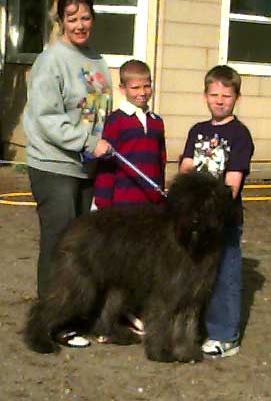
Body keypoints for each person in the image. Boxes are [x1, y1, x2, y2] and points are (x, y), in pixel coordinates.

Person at [23, 0, 112, 304]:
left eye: (85, 17)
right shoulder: (51, 60)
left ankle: (73, 310)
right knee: (59, 242)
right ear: (61, 21)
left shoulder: (96, 59)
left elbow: (100, 110)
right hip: (54, 166)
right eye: (72, 18)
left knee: (82, 245)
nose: (80, 24)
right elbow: (47, 117)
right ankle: (49, 316)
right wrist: (87, 141)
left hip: (88, 167)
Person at [179, 65, 254, 359]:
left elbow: (232, 183)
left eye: (227, 95)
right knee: (196, 275)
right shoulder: (197, 131)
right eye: (214, 94)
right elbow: (185, 167)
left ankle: (225, 335)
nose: (220, 100)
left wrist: (212, 210)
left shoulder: (239, 134)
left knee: (225, 276)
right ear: (205, 96)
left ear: (236, 97)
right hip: (193, 220)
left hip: (223, 221)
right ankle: (195, 327)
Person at [94, 59, 166, 208]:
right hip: (122, 204)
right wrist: (103, 201)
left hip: (151, 204)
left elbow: (161, 162)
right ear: (122, 89)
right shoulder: (116, 120)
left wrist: (160, 196)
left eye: (146, 86)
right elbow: (107, 163)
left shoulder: (156, 122)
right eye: (135, 87)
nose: (142, 92)